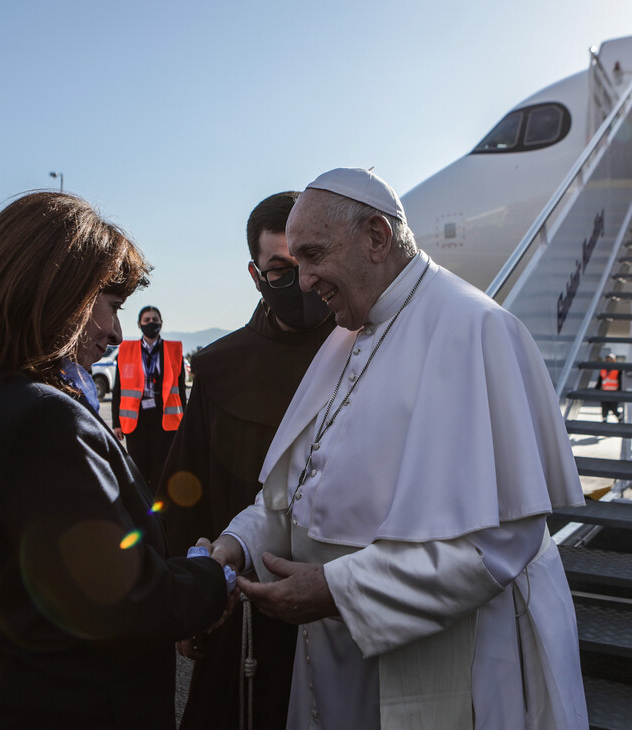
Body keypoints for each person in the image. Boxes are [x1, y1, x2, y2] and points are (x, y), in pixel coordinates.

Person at [205, 168, 589, 729]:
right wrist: (236, 545)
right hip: (334, 653)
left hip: (442, 656)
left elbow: (502, 540)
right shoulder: (345, 337)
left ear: (377, 237)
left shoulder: (476, 328)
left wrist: (339, 590)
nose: (305, 281)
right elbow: (292, 495)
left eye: (313, 255)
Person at [0, 192, 231, 730]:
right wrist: (212, 578)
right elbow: (120, 601)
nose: (115, 333)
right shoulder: (44, 423)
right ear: (57, 295)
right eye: (111, 306)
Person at [158, 191, 335, 730]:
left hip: (339, 599)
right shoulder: (220, 366)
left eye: (309, 261)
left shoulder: (359, 349)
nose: (300, 281)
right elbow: (184, 487)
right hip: (241, 602)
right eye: (280, 268)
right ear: (256, 275)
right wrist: (189, 594)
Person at [112, 305, 187, 492]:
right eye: (147, 320)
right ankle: (143, 508)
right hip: (136, 419)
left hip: (164, 418)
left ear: (161, 323)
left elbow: (181, 391)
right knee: (138, 467)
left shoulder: (173, 349)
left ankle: (160, 512)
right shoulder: (126, 350)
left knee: (162, 468)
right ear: (139, 324)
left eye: (155, 320)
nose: (151, 323)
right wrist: (116, 423)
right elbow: (118, 389)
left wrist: (184, 422)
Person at [596, 353, 623, 421]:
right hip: (605, 391)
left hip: (614, 392)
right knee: (604, 407)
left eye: (610, 359)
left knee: (613, 407)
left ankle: (619, 417)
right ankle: (604, 420)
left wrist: (620, 391)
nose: (608, 361)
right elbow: (600, 381)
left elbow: (620, 381)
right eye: (607, 359)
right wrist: (596, 390)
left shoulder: (617, 370)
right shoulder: (603, 370)